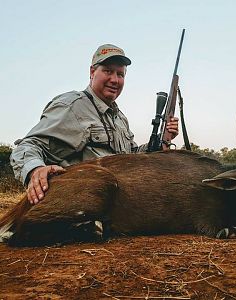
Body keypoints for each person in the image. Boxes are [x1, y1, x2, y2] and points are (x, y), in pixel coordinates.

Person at [10, 44, 179, 205]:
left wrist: (161, 141)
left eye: (120, 74)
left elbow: (131, 154)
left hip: (118, 203)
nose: (114, 80)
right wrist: (35, 170)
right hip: (83, 200)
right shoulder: (72, 106)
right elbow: (28, 146)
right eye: (108, 71)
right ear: (92, 72)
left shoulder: (119, 118)